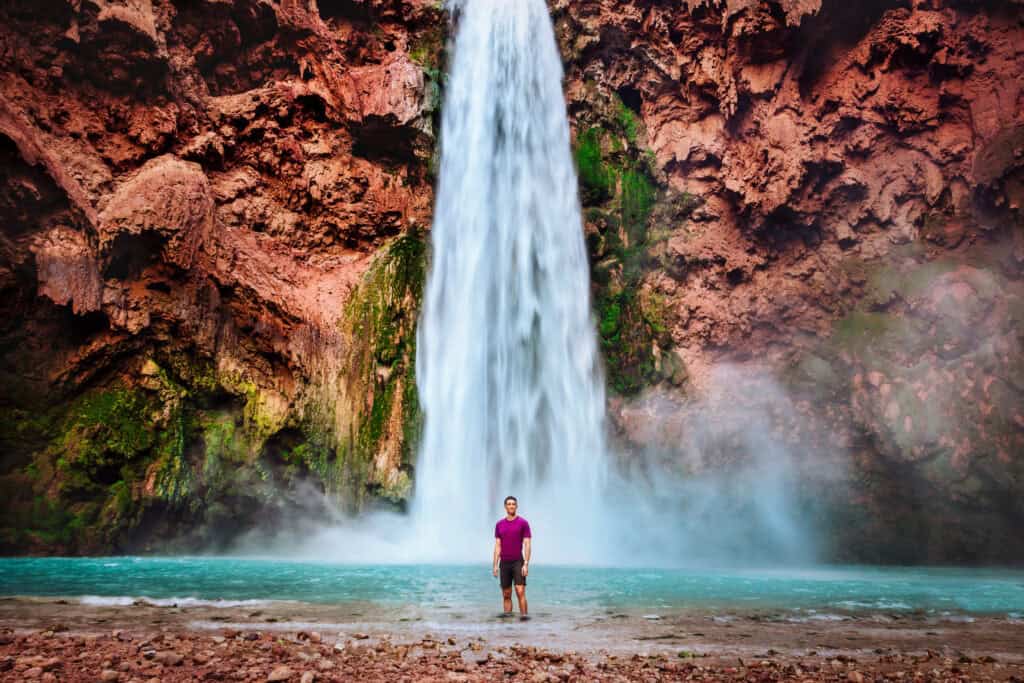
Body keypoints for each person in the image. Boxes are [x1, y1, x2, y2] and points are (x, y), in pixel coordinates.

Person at [492, 495, 532, 617]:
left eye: (513, 504)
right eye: (508, 504)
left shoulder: (523, 523)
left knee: (520, 591)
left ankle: (524, 619)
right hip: (504, 563)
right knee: (506, 594)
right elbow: (498, 546)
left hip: (518, 562)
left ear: (516, 506)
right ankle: (508, 624)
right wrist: (495, 565)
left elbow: (527, 544)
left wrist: (526, 564)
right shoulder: (499, 524)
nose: (511, 506)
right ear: (505, 507)